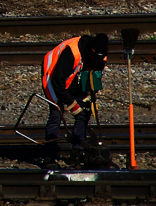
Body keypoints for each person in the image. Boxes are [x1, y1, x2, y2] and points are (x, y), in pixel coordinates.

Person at [41, 33, 108, 166]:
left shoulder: (100, 57)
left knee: (84, 111)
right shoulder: (71, 53)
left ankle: (77, 153)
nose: (96, 61)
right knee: (56, 113)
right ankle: (49, 156)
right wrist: (72, 104)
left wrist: (90, 96)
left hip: (74, 77)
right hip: (53, 74)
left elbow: (93, 76)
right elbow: (57, 82)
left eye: (98, 59)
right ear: (89, 52)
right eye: (94, 58)